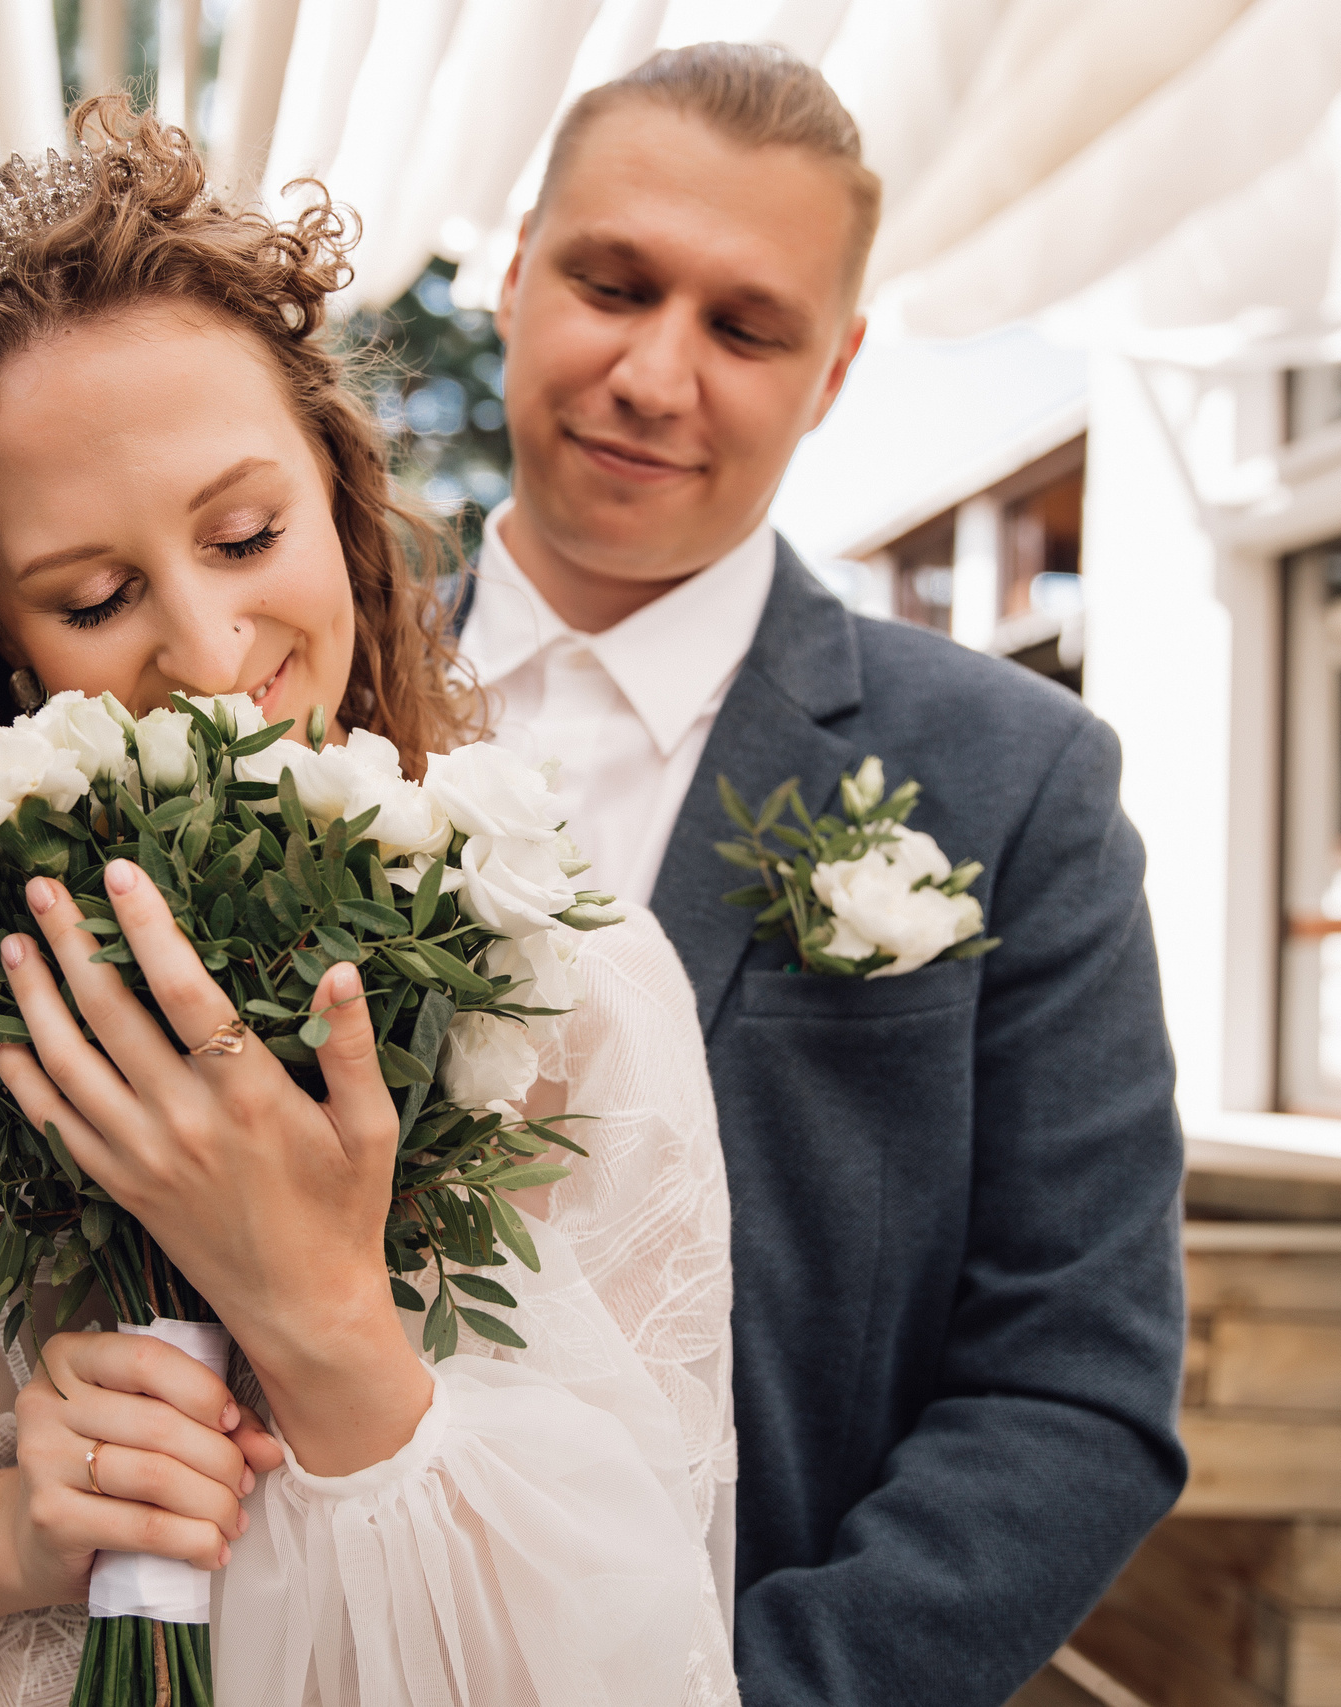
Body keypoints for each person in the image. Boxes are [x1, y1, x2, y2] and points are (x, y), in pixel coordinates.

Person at [0, 102, 739, 1707]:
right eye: (96, 596)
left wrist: (324, 1327)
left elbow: (649, 1636)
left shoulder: (572, 976)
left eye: (248, 533)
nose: (206, 644)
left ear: (342, 500)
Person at [458, 43, 1188, 1706]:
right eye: (613, 282)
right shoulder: (270, 698)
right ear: (514, 273)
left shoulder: (1018, 780)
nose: (654, 375)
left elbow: (1075, 1382)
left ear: (835, 369)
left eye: (743, 326)